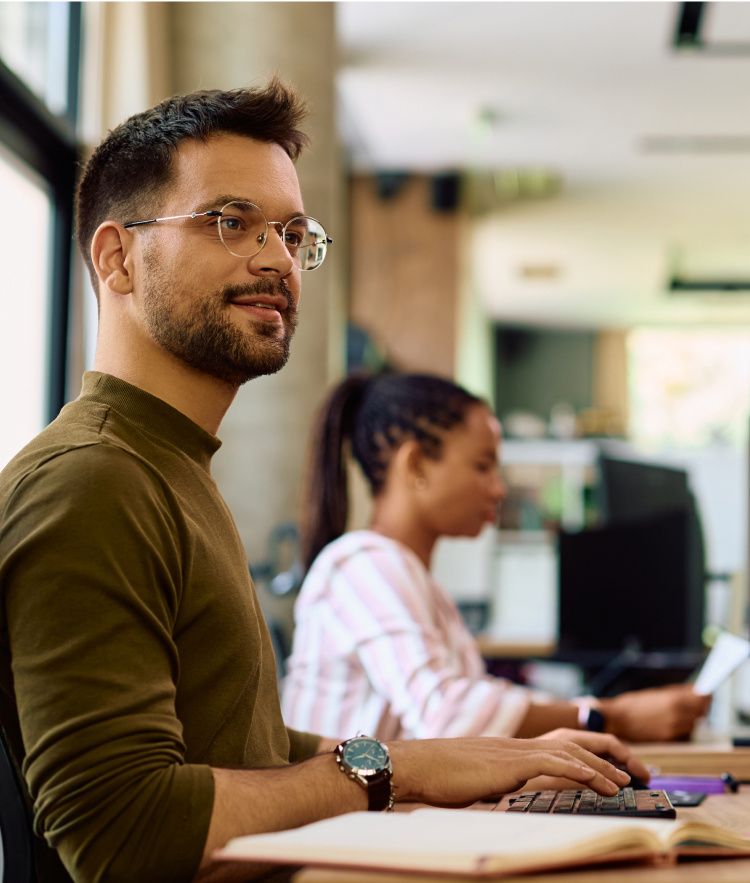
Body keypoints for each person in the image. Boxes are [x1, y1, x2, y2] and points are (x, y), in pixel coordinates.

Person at [0, 80, 643, 883]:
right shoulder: (92, 481)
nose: (276, 258)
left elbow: (261, 752)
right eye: (231, 222)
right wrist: (395, 774)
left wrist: (437, 759)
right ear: (117, 257)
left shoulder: (168, 466)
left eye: (294, 231)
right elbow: (124, 835)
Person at [281, 372, 711, 743]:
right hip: (342, 826)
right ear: (415, 465)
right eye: (483, 466)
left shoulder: (419, 585)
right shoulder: (363, 564)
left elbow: (474, 702)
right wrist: (611, 718)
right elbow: (449, 715)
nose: (499, 489)